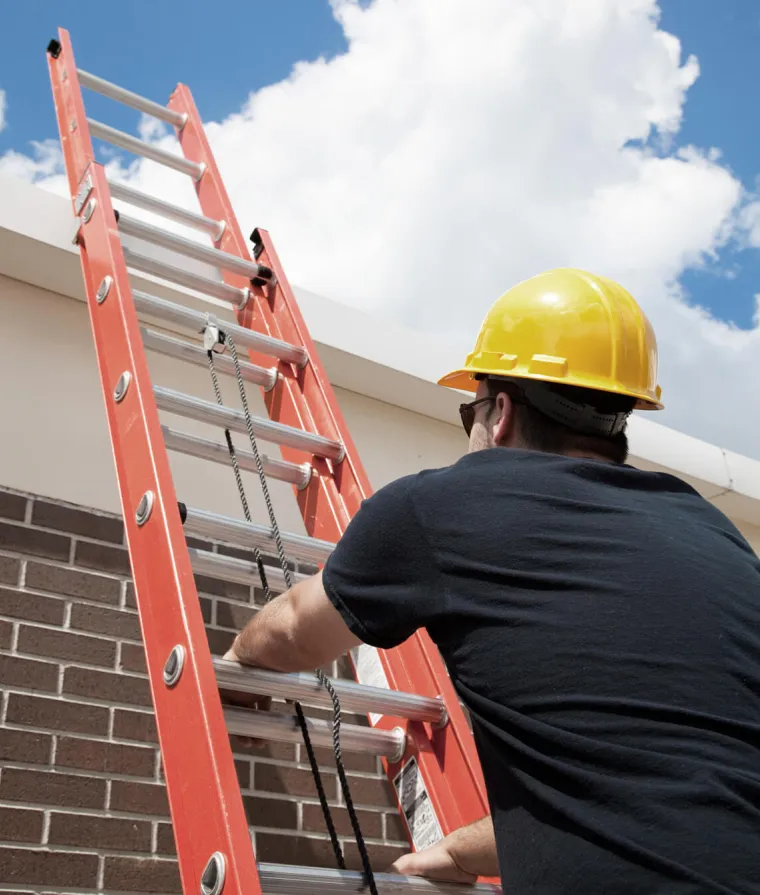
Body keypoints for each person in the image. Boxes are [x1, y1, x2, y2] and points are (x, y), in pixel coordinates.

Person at [224, 269, 760, 894]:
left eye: (467, 411)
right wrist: (469, 851)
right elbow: (668, 783)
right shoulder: (710, 529)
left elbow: (294, 632)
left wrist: (237, 663)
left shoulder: (444, 505)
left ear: (498, 411)